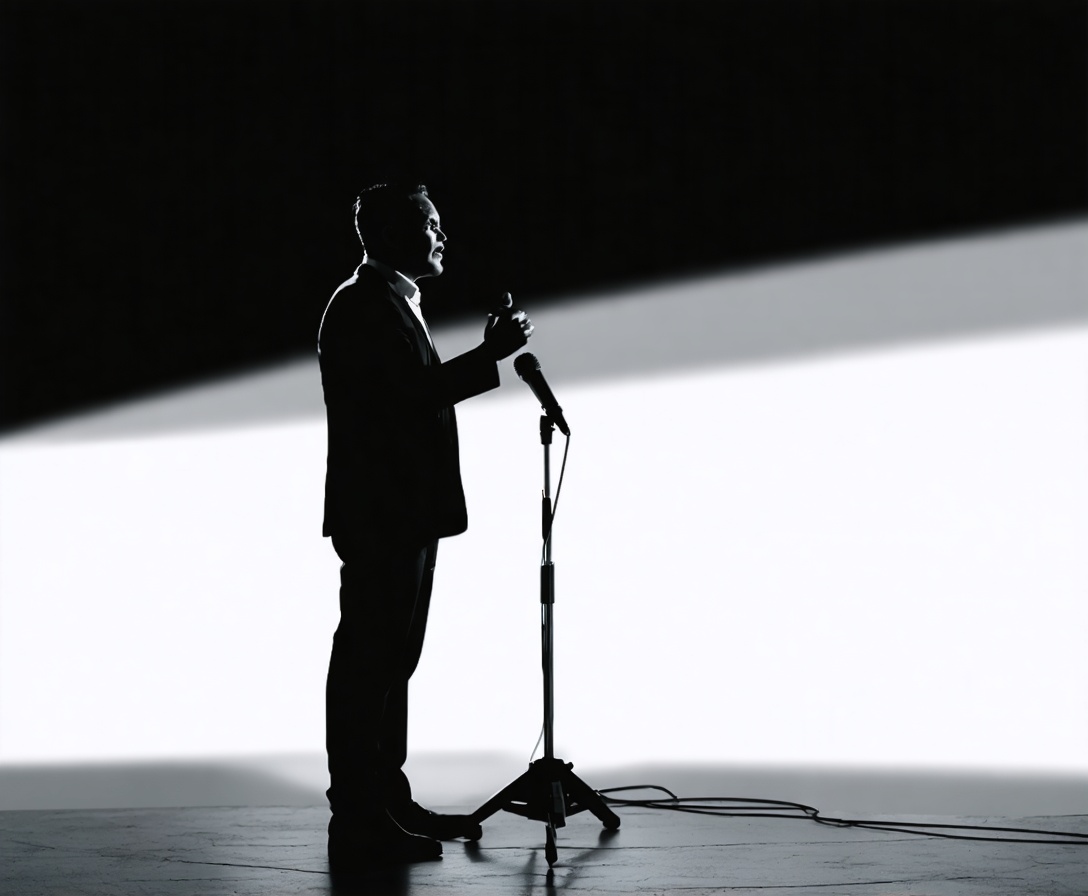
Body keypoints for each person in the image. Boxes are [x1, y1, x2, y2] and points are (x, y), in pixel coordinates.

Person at [317, 183, 533, 867]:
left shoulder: (391, 303)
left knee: (393, 663)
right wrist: (488, 357)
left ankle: (387, 800)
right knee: (369, 664)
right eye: (430, 224)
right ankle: (358, 814)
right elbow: (402, 402)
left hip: (403, 514)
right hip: (381, 516)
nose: (442, 236)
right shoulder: (361, 307)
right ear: (389, 233)